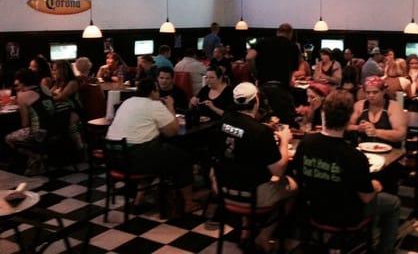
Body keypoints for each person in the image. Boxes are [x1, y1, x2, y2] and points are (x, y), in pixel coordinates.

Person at [293, 90, 400, 254]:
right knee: (393, 203)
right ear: (349, 117)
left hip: (313, 207)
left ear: (324, 113)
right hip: (346, 215)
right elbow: (366, 196)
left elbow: (299, 175)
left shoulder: (305, 143)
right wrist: (375, 186)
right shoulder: (355, 156)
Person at [210, 82, 297, 251]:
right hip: (252, 194)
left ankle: (245, 233)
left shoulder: (221, 122)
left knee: (243, 170)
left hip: (223, 188)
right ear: (256, 100)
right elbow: (278, 170)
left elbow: (239, 132)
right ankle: (264, 237)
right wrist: (285, 139)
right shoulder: (259, 132)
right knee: (294, 187)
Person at [106, 78, 197, 212]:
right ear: (153, 91)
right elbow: (172, 131)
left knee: (156, 151)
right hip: (135, 159)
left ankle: (139, 198)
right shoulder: (154, 105)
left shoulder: (126, 102)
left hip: (113, 158)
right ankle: (189, 203)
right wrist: (170, 106)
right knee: (182, 158)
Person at [5, 69, 56, 175]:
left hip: (38, 133)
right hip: (54, 128)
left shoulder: (22, 96)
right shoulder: (45, 88)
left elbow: (25, 123)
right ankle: (37, 159)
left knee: (8, 138)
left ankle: (36, 157)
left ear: (21, 81)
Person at [349, 76, 407, 149]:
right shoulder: (359, 105)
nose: (371, 95)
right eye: (368, 92)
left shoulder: (394, 107)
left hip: (389, 151)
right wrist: (358, 128)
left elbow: (401, 135)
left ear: (383, 92)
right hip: (363, 149)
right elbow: (345, 126)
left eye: (375, 92)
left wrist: (376, 132)